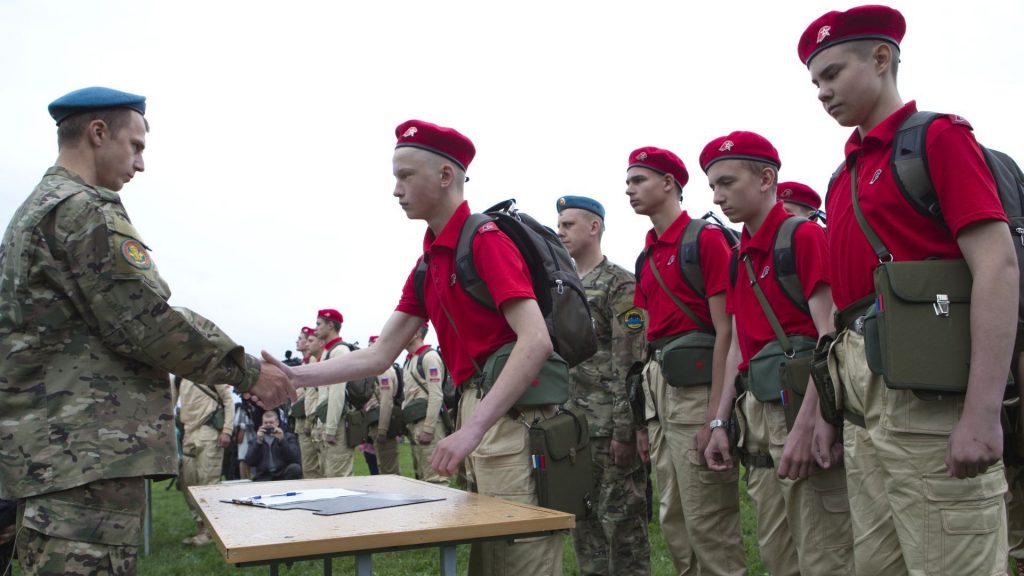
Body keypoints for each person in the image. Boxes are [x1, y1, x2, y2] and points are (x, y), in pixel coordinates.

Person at [0, 86, 293, 575]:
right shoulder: (83, 208)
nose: (140, 164)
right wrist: (248, 372)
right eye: (135, 146)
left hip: (51, 453)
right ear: (98, 133)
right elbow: (144, 321)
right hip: (85, 454)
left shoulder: (35, 210)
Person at [266, 119, 566, 575]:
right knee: (491, 555)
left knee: (520, 552)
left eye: (405, 175)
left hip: (514, 420)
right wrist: (297, 376)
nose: (396, 190)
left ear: (446, 176)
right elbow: (379, 354)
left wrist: (472, 430)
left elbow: (536, 339)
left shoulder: (485, 241)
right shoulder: (430, 261)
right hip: (485, 415)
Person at [799, 6, 1014, 574]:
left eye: (833, 72)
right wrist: (829, 409)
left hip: (932, 403)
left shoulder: (937, 139)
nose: (822, 91)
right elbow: (845, 317)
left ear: (881, 57)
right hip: (865, 405)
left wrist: (983, 412)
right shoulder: (841, 178)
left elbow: (997, 267)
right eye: (815, 81)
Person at [699, 132, 853, 574]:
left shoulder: (802, 237)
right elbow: (736, 350)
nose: (718, 195)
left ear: (766, 178)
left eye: (727, 182)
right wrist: (719, 423)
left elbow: (830, 336)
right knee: (777, 554)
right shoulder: (738, 255)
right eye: (712, 186)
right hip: (759, 416)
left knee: (825, 551)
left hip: (802, 408)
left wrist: (814, 421)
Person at [625, 146, 745, 575]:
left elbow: (727, 331)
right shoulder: (646, 256)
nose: (629, 189)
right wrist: (643, 420)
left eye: (638, 180)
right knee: (673, 517)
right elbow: (645, 338)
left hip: (698, 391)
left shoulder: (704, 240)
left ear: (669, 183)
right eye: (628, 182)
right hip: (660, 392)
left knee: (709, 519)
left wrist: (716, 417)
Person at [556, 195, 650, 575]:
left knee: (623, 528)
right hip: (573, 431)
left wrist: (626, 432)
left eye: (568, 225)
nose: (559, 232)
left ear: (594, 227)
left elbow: (629, 362)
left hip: (609, 429)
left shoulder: (619, 284)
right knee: (584, 526)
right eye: (558, 224)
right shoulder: (564, 286)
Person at [177, 377, 235, 546]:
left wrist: (227, 430)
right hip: (188, 433)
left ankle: (210, 532)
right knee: (187, 481)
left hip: (209, 431)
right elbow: (169, 404)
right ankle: (200, 526)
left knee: (208, 483)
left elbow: (228, 399)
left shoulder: (210, 372)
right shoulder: (177, 378)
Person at [401, 323, 450, 485]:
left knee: (435, 478)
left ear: (415, 333)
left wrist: (428, 429)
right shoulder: (409, 361)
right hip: (415, 423)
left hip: (428, 423)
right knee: (422, 476)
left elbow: (436, 395)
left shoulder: (429, 357)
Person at [314, 308, 355, 477]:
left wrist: (330, 428)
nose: (316, 328)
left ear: (330, 325)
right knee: (329, 477)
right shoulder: (328, 351)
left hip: (337, 424)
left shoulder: (339, 351)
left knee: (339, 478)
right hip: (328, 421)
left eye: (319, 324)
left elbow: (337, 393)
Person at [366, 335, 401, 475]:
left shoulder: (383, 370)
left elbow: (387, 400)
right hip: (378, 419)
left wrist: (382, 429)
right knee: (384, 465)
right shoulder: (379, 369)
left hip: (383, 421)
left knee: (388, 468)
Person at [245, 410, 302, 482]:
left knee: (295, 468)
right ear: (262, 424)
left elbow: (295, 458)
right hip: (264, 475)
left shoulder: (288, 437)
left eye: (271, 422)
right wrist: (258, 443)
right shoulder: (255, 440)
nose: (268, 425)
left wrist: (282, 441)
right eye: (266, 423)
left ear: (277, 423)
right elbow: (249, 462)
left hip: (282, 472)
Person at [302, 330, 325, 479]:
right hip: (312, 418)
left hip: (318, 418)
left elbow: (315, 395)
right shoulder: (310, 361)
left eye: (310, 340)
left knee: (321, 469)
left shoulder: (318, 361)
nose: (305, 343)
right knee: (312, 468)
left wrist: (310, 419)